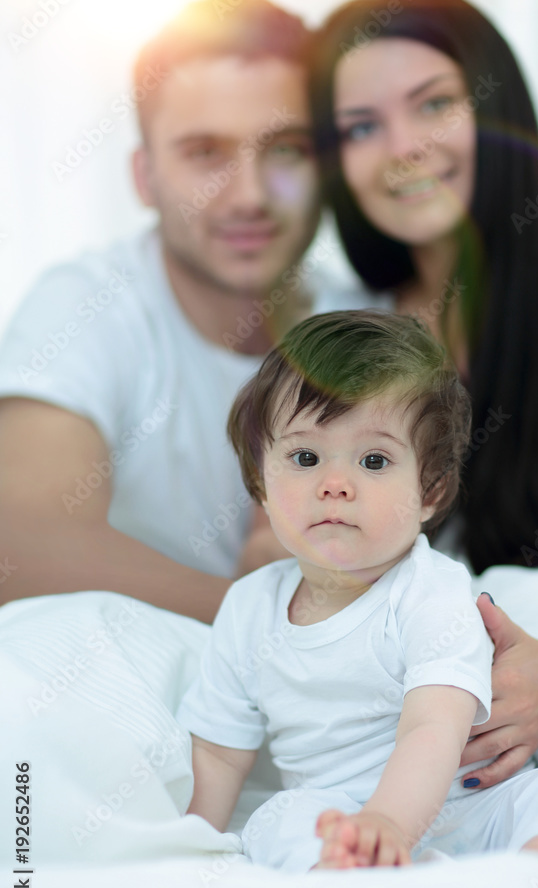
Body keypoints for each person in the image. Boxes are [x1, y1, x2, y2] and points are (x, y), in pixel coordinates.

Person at [307, 1, 538, 790]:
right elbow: (277, 542)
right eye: (359, 127)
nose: (403, 149)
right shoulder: (334, 337)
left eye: (434, 104)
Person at [176, 309, 538, 873]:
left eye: (374, 460)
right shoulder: (249, 609)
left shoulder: (431, 591)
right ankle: (353, 874)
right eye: (304, 457)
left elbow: (432, 725)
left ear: (430, 492)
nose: (335, 484)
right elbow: (220, 752)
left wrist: (390, 824)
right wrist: (190, 843)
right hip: (339, 817)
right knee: (275, 819)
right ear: (259, 485)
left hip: (474, 806)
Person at [0, 0, 377, 623]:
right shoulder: (88, 303)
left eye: (286, 150)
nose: (250, 196)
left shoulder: (365, 323)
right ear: (144, 178)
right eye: (205, 153)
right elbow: (19, 541)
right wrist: (267, 621)